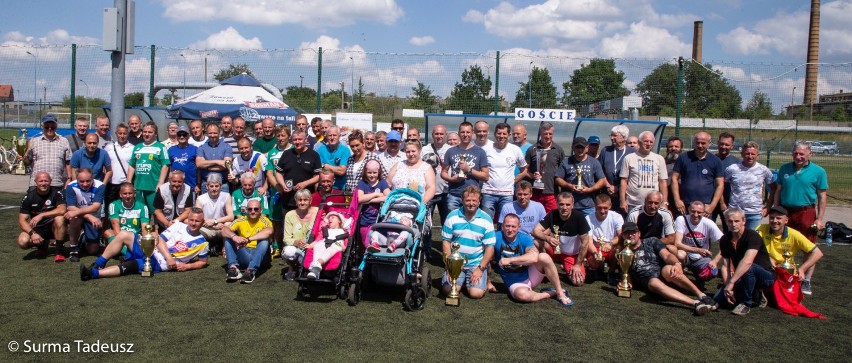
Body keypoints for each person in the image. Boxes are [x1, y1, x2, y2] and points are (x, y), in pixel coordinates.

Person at [80, 208, 209, 280]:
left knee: (130, 266)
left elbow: (203, 262)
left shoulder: (202, 243)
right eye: (191, 220)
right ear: (187, 219)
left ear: (202, 222)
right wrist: (169, 256)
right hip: (150, 248)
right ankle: (98, 264)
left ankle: (92, 274)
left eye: (197, 221)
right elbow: (158, 238)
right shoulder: (178, 226)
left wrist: (188, 267)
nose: (193, 223)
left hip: (158, 263)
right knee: (123, 234)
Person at [618, 221, 718, 316]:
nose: (630, 235)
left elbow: (667, 256)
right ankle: (695, 303)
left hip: (666, 275)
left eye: (633, 232)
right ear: (623, 236)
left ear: (639, 233)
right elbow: (627, 276)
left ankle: (702, 295)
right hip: (651, 284)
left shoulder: (651, 241)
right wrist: (624, 285)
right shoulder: (623, 254)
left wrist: (677, 264)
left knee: (668, 269)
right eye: (627, 233)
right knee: (653, 282)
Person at [494, 214, 572, 306]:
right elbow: (485, 255)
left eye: (513, 226)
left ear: (519, 227)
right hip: (513, 283)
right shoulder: (496, 237)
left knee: (544, 257)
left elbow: (534, 257)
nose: (510, 229)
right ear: (502, 226)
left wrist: (510, 260)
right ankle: (550, 293)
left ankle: (559, 292)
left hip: (530, 276)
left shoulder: (524, 238)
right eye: (507, 226)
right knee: (522, 295)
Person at [717, 208, 774, 316]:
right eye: (730, 221)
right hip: (743, 276)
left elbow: (747, 262)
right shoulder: (725, 239)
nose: (733, 224)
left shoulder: (753, 236)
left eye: (737, 221)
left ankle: (746, 303)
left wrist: (732, 282)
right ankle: (756, 294)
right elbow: (725, 266)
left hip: (765, 277)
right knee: (720, 298)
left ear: (744, 221)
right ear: (725, 222)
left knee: (749, 268)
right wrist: (727, 286)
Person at [441, 186, 495, 300]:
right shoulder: (452, 216)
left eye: (474, 200)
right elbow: (446, 242)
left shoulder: (486, 219)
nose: (471, 203)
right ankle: (461, 280)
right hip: (456, 264)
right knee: (448, 290)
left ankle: (481, 278)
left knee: (476, 294)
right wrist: (450, 266)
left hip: (476, 263)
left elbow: (490, 248)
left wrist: (480, 269)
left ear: (479, 202)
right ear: (462, 201)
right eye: (468, 200)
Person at [757, 206, 824, 295]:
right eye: (772, 218)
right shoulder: (761, 228)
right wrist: (768, 258)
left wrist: (802, 269)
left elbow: (818, 253)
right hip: (766, 268)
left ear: (786, 220)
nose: (774, 221)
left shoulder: (794, 234)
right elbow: (751, 248)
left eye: (778, 218)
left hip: (785, 272)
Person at [772, 141, 828, 242]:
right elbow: (778, 191)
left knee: (807, 244)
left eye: (801, 154)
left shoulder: (819, 171)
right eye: (795, 153)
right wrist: (776, 210)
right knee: (782, 242)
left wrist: (819, 219)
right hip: (785, 211)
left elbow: (822, 196)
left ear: (810, 154)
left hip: (806, 212)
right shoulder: (784, 168)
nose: (798, 157)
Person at [532, 192, 591, 286]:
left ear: (572, 205)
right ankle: (543, 269)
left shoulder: (579, 217)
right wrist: (547, 238)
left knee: (578, 282)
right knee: (537, 242)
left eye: (568, 204)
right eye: (561, 204)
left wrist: (578, 265)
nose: (564, 207)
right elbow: (535, 231)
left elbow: (585, 243)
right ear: (557, 204)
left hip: (570, 254)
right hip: (555, 250)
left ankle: (569, 267)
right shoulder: (552, 214)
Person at [671, 131, 724, 217]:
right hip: (685, 205)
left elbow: (720, 185)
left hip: (705, 207)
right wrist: (677, 200)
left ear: (709, 144)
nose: (700, 145)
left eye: (703, 143)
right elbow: (674, 178)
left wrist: (712, 205)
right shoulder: (684, 157)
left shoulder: (716, 161)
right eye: (697, 142)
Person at [672, 201, 724, 287]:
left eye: (699, 212)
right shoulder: (681, 219)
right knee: (680, 254)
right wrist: (697, 250)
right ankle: (682, 276)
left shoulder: (709, 223)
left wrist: (715, 261)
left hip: (701, 258)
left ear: (704, 212)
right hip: (686, 255)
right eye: (693, 211)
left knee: (712, 272)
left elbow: (725, 244)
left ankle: (698, 277)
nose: (696, 214)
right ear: (688, 210)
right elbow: (677, 244)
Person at [17, 172, 67, 262]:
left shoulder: (58, 193)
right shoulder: (28, 197)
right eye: (40, 181)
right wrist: (32, 234)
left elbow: (62, 210)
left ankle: (59, 252)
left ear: (50, 181)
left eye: (46, 181)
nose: (43, 183)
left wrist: (41, 215)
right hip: (38, 227)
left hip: (54, 226)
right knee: (22, 241)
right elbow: (22, 220)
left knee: (60, 218)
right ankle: (42, 245)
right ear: (35, 182)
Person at [481, 122, 526, 220]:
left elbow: (524, 170)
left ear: (509, 135)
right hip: (488, 193)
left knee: (505, 223)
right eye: (499, 133)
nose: (501, 136)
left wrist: (513, 181)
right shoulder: (485, 149)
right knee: (486, 222)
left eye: (504, 134)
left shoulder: (515, 150)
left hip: (507, 195)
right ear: (495, 134)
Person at [441, 121, 489, 213]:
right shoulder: (450, 151)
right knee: (454, 222)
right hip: (454, 195)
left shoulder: (480, 152)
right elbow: (443, 173)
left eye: (468, 132)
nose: (465, 135)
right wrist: (452, 179)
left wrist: (469, 170)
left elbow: (485, 176)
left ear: (472, 133)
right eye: (463, 132)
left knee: (472, 223)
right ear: (458, 133)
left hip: (472, 196)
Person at [725, 141, 774, 230]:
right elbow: (720, 186)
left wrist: (768, 207)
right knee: (735, 240)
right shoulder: (732, 169)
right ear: (742, 154)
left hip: (754, 213)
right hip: (735, 212)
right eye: (747, 153)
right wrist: (722, 204)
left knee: (752, 240)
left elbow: (773, 189)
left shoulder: (764, 170)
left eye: (753, 154)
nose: (750, 156)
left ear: (757, 155)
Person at [222, 199, 272, 284]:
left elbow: (269, 231)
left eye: (256, 209)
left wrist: (248, 240)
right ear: (246, 210)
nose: (253, 211)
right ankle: (233, 269)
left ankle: (251, 270)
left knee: (264, 241)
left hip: (261, 256)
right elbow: (224, 229)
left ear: (261, 210)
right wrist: (234, 237)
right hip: (244, 253)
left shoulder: (265, 221)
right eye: (250, 209)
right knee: (228, 237)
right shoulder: (241, 220)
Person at [556, 136, 606, 217]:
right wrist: (570, 186)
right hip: (569, 205)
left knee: (589, 228)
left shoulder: (594, 162)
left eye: (582, 147)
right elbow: (558, 179)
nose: (579, 150)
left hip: (588, 205)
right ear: (572, 148)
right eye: (577, 147)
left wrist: (590, 189)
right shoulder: (565, 162)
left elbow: (602, 180)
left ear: (587, 148)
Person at [126, 122, 170, 214]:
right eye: (145, 132)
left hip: (153, 187)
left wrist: (160, 183)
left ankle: (156, 228)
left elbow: (165, 166)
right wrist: (129, 182)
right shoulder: (137, 147)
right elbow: (132, 165)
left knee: (156, 212)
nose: (146, 134)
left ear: (155, 133)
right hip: (138, 187)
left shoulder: (161, 147)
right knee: (139, 212)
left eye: (150, 132)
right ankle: (142, 228)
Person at [619, 131, 667, 213]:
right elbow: (623, 181)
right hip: (633, 204)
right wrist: (622, 201)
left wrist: (664, 202)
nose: (648, 144)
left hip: (653, 204)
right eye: (646, 141)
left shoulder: (659, 159)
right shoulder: (629, 158)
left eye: (651, 142)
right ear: (639, 142)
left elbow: (662, 182)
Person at [274, 130, 322, 212]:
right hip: (288, 200)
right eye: (295, 140)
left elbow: (318, 176)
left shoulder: (314, 155)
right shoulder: (286, 154)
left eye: (300, 139)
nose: (297, 142)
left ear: (305, 140)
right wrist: (283, 185)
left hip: (306, 200)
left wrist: (305, 183)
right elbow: (278, 172)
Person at [65, 168, 106, 262]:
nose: (85, 184)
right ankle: (73, 249)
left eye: (88, 181)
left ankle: (83, 238)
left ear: (93, 178)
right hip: (84, 216)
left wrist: (78, 212)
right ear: (77, 179)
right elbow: (70, 207)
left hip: (95, 216)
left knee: (92, 250)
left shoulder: (100, 186)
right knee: (75, 218)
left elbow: (95, 207)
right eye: (81, 181)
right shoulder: (71, 186)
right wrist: (88, 216)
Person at [522, 122, 564, 213]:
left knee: (552, 219)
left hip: (552, 192)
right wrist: (533, 176)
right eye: (545, 133)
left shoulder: (558, 150)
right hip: (535, 192)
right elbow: (524, 170)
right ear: (540, 134)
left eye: (550, 134)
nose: (548, 136)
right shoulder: (532, 149)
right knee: (535, 217)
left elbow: (562, 170)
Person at [23, 114, 72, 189]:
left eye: (52, 127)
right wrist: (23, 157)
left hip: (57, 183)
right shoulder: (33, 141)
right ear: (42, 127)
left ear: (56, 127)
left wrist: (69, 179)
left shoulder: (64, 141)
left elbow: (68, 162)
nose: (49, 129)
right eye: (46, 127)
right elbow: (27, 163)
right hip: (37, 184)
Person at [264, 125, 292, 257]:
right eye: (278, 136)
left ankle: (288, 246)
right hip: (276, 191)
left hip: (291, 191)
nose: (280, 138)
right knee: (275, 219)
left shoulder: (293, 150)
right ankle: (276, 245)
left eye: (283, 135)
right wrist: (278, 187)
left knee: (289, 219)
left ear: (288, 136)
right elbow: (269, 173)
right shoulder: (271, 152)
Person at [281, 189, 318, 280]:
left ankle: (305, 268)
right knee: (288, 252)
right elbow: (286, 238)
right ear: (296, 201)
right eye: (299, 200)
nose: (302, 202)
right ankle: (292, 268)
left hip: (312, 246)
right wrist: (296, 242)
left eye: (305, 200)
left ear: (310, 201)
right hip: (297, 247)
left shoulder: (317, 212)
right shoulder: (290, 215)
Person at [598, 125, 635, 215]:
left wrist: (618, 187)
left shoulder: (632, 152)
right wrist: (607, 186)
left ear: (624, 137)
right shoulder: (606, 151)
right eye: (611, 135)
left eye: (614, 135)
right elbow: (599, 170)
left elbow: (633, 174)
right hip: (607, 192)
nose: (612, 138)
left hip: (624, 194)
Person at [195, 174, 234, 256]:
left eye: (217, 186)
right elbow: (198, 218)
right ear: (207, 186)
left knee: (229, 224)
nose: (214, 189)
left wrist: (215, 221)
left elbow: (231, 216)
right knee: (196, 227)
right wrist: (213, 224)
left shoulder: (226, 196)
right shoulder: (200, 199)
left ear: (221, 186)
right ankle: (204, 249)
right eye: (211, 186)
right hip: (206, 228)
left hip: (221, 227)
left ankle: (225, 248)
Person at [422, 124, 451, 232]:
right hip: (429, 192)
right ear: (432, 135)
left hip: (446, 192)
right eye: (436, 134)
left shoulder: (451, 150)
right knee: (426, 223)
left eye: (441, 134)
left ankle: (447, 247)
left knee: (447, 223)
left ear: (446, 135)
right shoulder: (424, 149)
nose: (439, 136)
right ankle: (425, 248)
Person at [584, 194, 623, 274]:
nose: (602, 211)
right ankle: (598, 268)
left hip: (611, 247)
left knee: (618, 249)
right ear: (595, 205)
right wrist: (595, 253)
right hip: (596, 248)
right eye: (599, 207)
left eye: (605, 208)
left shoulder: (617, 217)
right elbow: (589, 241)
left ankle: (611, 272)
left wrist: (610, 243)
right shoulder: (588, 218)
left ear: (610, 206)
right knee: (593, 262)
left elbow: (621, 235)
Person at [306, 211, 350, 279]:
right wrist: (309, 245)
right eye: (329, 218)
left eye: (333, 217)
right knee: (318, 245)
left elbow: (346, 242)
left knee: (332, 248)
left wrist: (345, 247)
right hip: (324, 242)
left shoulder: (344, 231)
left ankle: (317, 264)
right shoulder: (325, 230)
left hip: (337, 244)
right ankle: (315, 270)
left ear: (339, 221)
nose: (330, 219)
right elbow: (317, 240)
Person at [356, 159, 390, 245]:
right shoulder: (362, 183)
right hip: (365, 221)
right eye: (369, 173)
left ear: (378, 172)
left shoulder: (382, 182)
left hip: (379, 220)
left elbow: (388, 197)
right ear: (365, 172)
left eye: (374, 173)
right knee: (366, 243)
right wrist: (376, 194)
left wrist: (369, 200)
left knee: (378, 241)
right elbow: (360, 199)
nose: (372, 175)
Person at [197, 123, 233, 194]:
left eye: (215, 133)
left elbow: (227, 165)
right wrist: (218, 162)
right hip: (206, 185)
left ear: (219, 133)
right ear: (207, 133)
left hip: (223, 185)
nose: (212, 135)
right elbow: (199, 164)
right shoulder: (201, 148)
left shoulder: (227, 147)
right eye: (210, 133)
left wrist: (207, 167)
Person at [344, 130, 384, 195]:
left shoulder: (372, 157)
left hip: (365, 196)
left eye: (357, 145)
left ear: (363, 143)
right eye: (352, 146)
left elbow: (383, 175)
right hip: (350, 196)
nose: (355, 148)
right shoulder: (350, 159)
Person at [104, 123, 134, 206]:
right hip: (111, 183)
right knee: (110, 207)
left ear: (127, 134)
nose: (122, 136)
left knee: (125, 206)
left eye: (124, 133)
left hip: (125, 182)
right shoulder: (109, 147)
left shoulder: (132, 148)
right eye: (120, 133)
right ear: (116, 134)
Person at [715, 132, 741, 227]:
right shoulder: (710, 159)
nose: (724, 147)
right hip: (711, 201)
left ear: (732, 146)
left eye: (727, 144)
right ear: (718, 143)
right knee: (706, 230)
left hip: (729, 203)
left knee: (729, 229)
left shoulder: (737, 163)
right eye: (722, 144)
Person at [316, 125, 351, 191]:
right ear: (326, 136)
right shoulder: (320, 150)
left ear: (339, 136)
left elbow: (342, 171)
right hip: (323, 188)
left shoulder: (345, 150)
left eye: (334, 135)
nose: (332, 138)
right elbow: (318, 170)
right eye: (330, 135)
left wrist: (326, 166)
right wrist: (335, 169)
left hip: (339, 188)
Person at [167, 125, 200, 194]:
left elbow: (199, 169)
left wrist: (198, 184)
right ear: (176, 136)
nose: (182, 137)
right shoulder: (171, 150)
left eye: (184, 135)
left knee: (190, 205)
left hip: (191, 186)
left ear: (188, 136)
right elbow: (167, 168)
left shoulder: (195, 149)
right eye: (179, 135)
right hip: (175, 186)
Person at [664, 136, 683, 214]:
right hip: (666, 197)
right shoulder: (663, 162)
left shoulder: (685, 163)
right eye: (671, 146)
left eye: (676, 146)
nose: (673, 149)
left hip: (681, 197)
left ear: (681, 148)